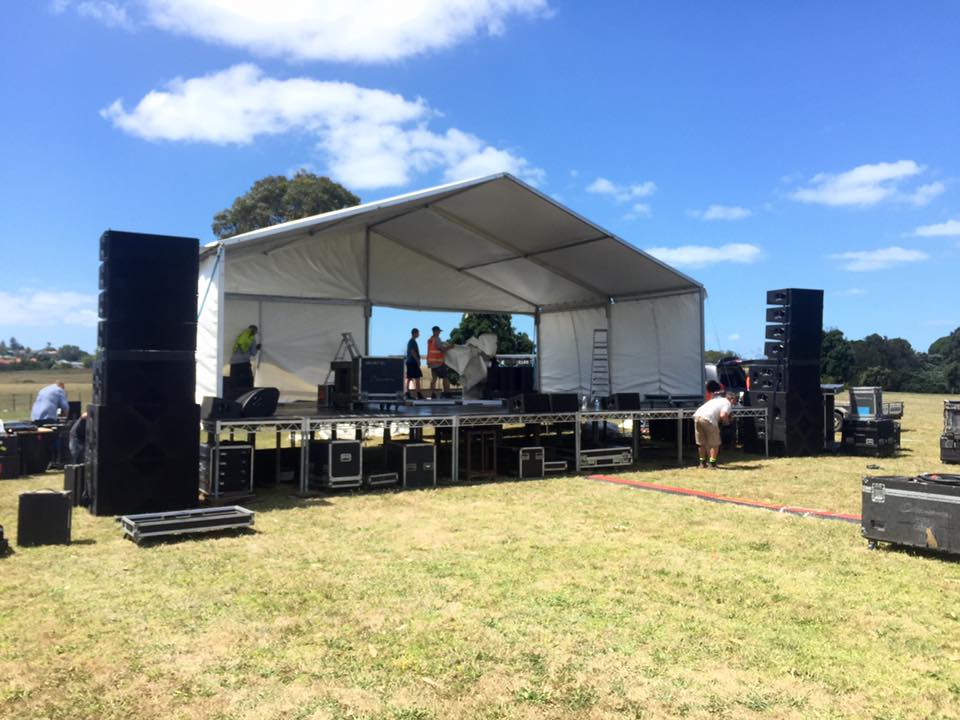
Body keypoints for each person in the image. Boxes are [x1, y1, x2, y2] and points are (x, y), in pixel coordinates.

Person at [693, 391, 738, 469]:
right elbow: (723, 415)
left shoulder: (717, 399)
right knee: (715, 443)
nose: (735, 403)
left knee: (701, 443)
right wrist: (727, 423)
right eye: (735, 401)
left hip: (697, 416)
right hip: (708, 419)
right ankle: (712, 464)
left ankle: (702, 463)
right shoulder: (727, 403)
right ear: (732, 399)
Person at [230, 324, 261, 390]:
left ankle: (234, 397)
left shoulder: (240, 336)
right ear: (254, 331)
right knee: (247, 382)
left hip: (233, 363)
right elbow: (253, 353)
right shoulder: (252, 339)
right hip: (244, 363)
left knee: (234, 383)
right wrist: (257, 348)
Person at [427, 325, 451, 399]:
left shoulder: (430, 339)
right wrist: (450, 347)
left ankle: (432, 394)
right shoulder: (437, 339)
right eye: (438, 331)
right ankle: (446, 393)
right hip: (439, 363)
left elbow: (430, 351)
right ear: (435, 331)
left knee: (434, 379)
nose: (439, 333)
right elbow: (442, 349)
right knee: (445, 377)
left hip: (432, 363)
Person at [405, 328, 424, 399]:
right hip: (412, 362)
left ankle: (409, 393)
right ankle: (417, 394)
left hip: (410, 362)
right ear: (415, 333)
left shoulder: (412, 341)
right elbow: (413, 352)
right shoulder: (412, 341)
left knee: (411, 378)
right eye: (418, 333)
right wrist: (418, 361)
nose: (419, 334)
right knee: (416, 378)